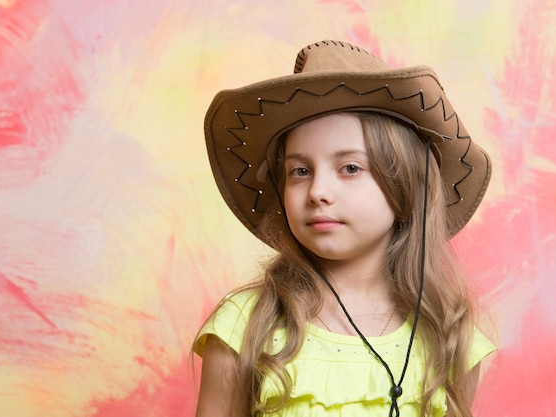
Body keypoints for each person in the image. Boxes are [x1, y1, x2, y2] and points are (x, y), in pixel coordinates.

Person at [193, 40, 495, 417]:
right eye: (299, 171)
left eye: (350, 168)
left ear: (406, 186)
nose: (318, 192)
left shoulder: (448, 337)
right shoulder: (246, 327)